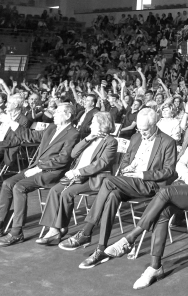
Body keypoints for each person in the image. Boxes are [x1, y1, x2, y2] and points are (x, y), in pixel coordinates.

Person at [101, 113, 188, 289]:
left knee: (164, 192)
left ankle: (131, 237)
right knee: (163, 213)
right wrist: (187, 175)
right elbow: (180, 164)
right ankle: (154, 267)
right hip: (183, 184)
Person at [59, 109, 177, 265]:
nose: (142, 133)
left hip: (149, 184)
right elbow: (126, 160)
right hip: (129, 181)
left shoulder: (167, 141)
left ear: (154, 124)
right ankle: (101, 249)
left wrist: (143, 174)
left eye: (145, 130)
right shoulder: (135, 137)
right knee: (112, 195)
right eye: (139, 129)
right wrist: (127, 168)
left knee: (108, 181)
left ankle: (86, 231)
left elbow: (169, 171)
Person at [0, 103, 80, 246]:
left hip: (53, 172)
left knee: (19, 187)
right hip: (38, 168)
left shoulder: (73, 133)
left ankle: (16, 233)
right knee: (7, 184)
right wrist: (10, 122)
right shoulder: (52, 127)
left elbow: (63, 159)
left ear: (68, 115)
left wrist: (39, 168)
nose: (54, 114)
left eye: (58, 112)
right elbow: (29, 135)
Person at [36, 112, 118, 245]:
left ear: (102, 124)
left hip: (94, 178)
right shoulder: (90, 138)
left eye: (94, 122)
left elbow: (101, 164)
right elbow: (73, 153)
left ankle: (59, 229)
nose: (91, 125)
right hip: (78, 176)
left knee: (67, 193)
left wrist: (77, 172)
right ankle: (53, 229)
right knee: (55, 190)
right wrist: (88, 139)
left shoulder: (111, 141)